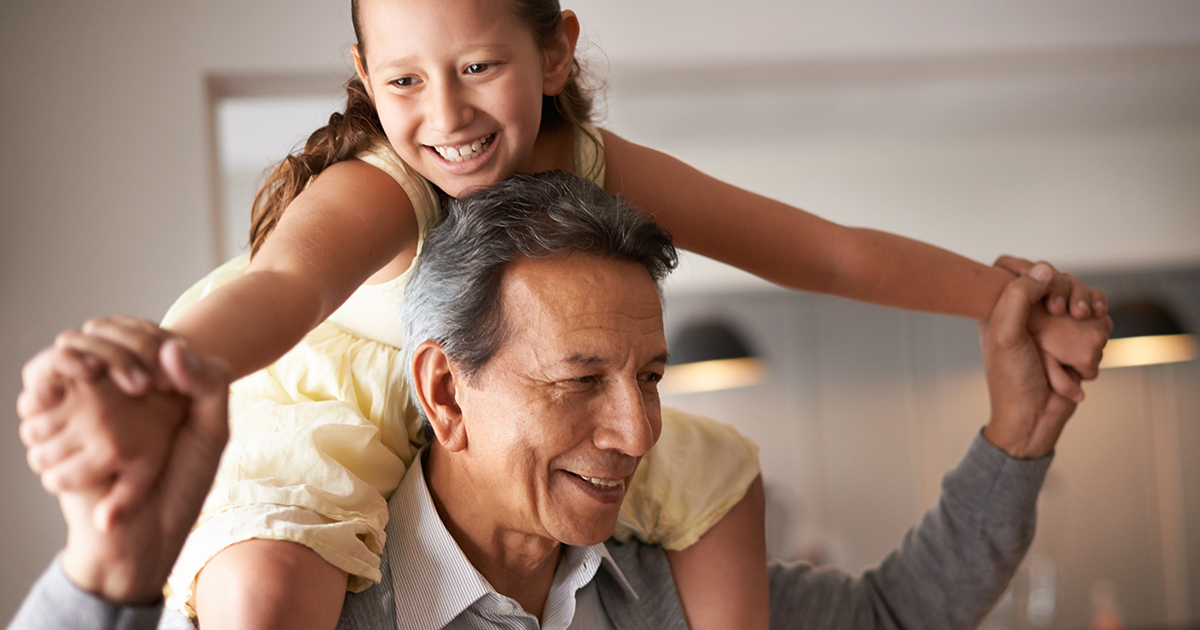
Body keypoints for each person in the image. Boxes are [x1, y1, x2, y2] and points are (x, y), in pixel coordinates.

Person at [25, 0, 1112, 626]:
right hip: (311, 390)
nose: (444, 117)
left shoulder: (587, 164)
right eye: (403, 83)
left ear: (555, 52)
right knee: (263, 586)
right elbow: (280, 292)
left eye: (479, 67)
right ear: (365, 76)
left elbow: (821, 250)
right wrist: (163, 375)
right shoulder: (379, 188)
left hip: (451, 399)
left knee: (728, 485)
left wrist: (1002, 300)